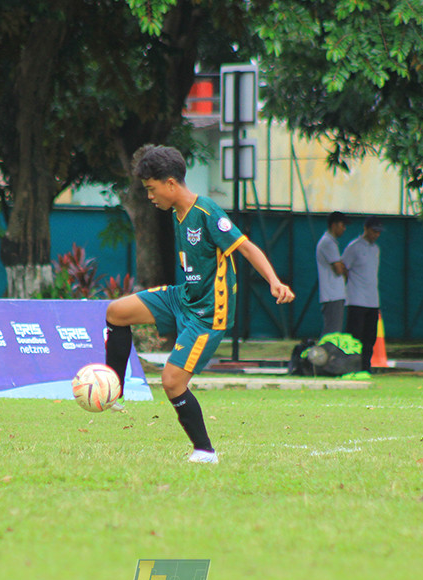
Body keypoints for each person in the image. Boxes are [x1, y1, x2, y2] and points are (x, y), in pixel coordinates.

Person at [104, 145, 294, 464]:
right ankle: (114, 390)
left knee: (172, 381)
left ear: (171, 184)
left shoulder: (206, 211)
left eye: (151, 189)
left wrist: (275, 281)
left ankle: (205, 451)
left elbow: (246, 249)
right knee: (116, 312)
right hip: (184, 297)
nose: (150, 196)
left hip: (209, 314)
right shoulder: (178, 214)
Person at [339, 218, 382, 373]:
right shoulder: (354, 247)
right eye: (373, 231)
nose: (376, 235)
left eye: (378, 232)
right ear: (366, 229)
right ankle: (351, 367)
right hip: (356, 299)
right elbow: (343, 267)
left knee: (370, 338)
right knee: (354, 336)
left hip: (373, 300)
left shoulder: (375, 249)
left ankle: (365, 367)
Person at [315, 211, 347, 336]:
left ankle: (328, 353)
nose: (344, 229)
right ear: (334, 225)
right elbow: (339, 269)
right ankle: (326, 354)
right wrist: (344, 267)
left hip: (334, 294)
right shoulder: (328, 243)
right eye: (342, 225)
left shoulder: (330, 242)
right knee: (332, 332)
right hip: (332, 295)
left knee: (333, 330)